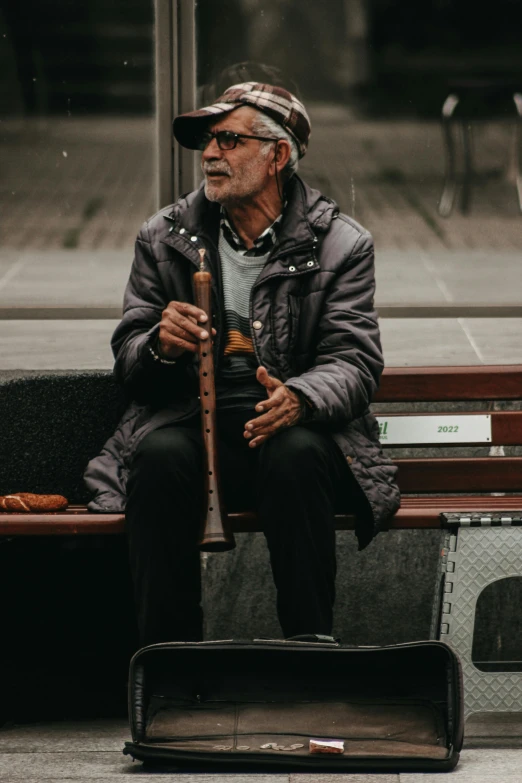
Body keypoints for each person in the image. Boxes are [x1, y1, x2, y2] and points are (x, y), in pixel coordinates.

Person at [84, 82, 400, 646]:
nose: (210, 154)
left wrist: (301, 397)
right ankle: (173, 666)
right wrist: (160, 343)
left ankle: (308, 655)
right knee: (156, 459)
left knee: (298, 455)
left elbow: (354, 360)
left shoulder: (341, 244)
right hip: (189, 417)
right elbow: (131, 359)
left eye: (229, 140)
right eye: (208, 140)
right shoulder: (163, 237)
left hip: (290, 423)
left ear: (276, 155)